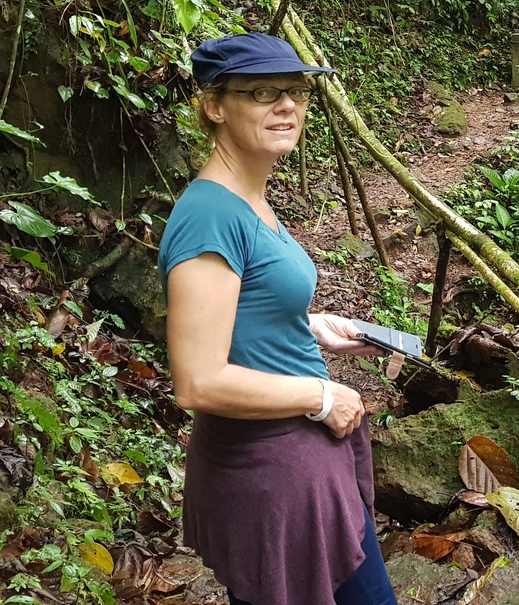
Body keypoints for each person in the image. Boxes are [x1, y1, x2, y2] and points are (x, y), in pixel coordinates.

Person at [157, 32, 397, 605]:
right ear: (215, 106)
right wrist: (322, 396)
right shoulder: (211, 216)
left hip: (294, 467)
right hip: (272, 471)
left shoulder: (247, 197)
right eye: (262, 92)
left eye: (295, 91)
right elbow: (197, 381)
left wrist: (306, 324)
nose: (287, 105)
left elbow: (238, 308)